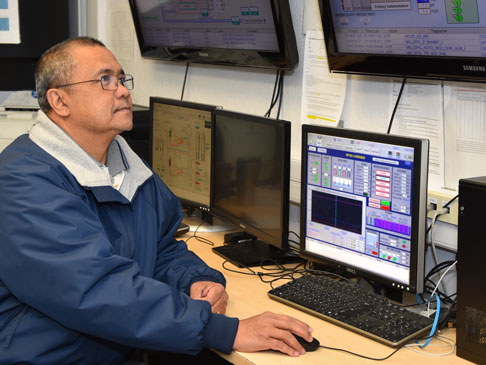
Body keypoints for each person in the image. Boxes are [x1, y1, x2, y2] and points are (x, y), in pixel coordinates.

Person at [0, 37, 313, 364]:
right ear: (59, 101)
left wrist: (195, 279)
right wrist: (227, 331)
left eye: (121, 79)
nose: (122, 90)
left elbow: (160, 248)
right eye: (104, 80)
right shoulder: (22, 182)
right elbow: (96, 291)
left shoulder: (124, 165)